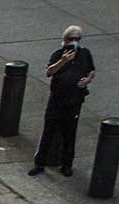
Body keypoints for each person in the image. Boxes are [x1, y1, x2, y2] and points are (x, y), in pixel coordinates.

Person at [30, 25, 95, 178]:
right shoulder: (59, 54)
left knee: (69, 134)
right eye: (72, 39)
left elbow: (91, 70)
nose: (75, 42)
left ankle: (67, 165)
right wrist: (63, 61)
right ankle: (39, 164)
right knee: (48, 132)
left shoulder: (85, 54)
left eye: (78, 39)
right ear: (64, 40)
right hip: (57, 100)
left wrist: (88, 79)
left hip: (74, 100)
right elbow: (49, 72)